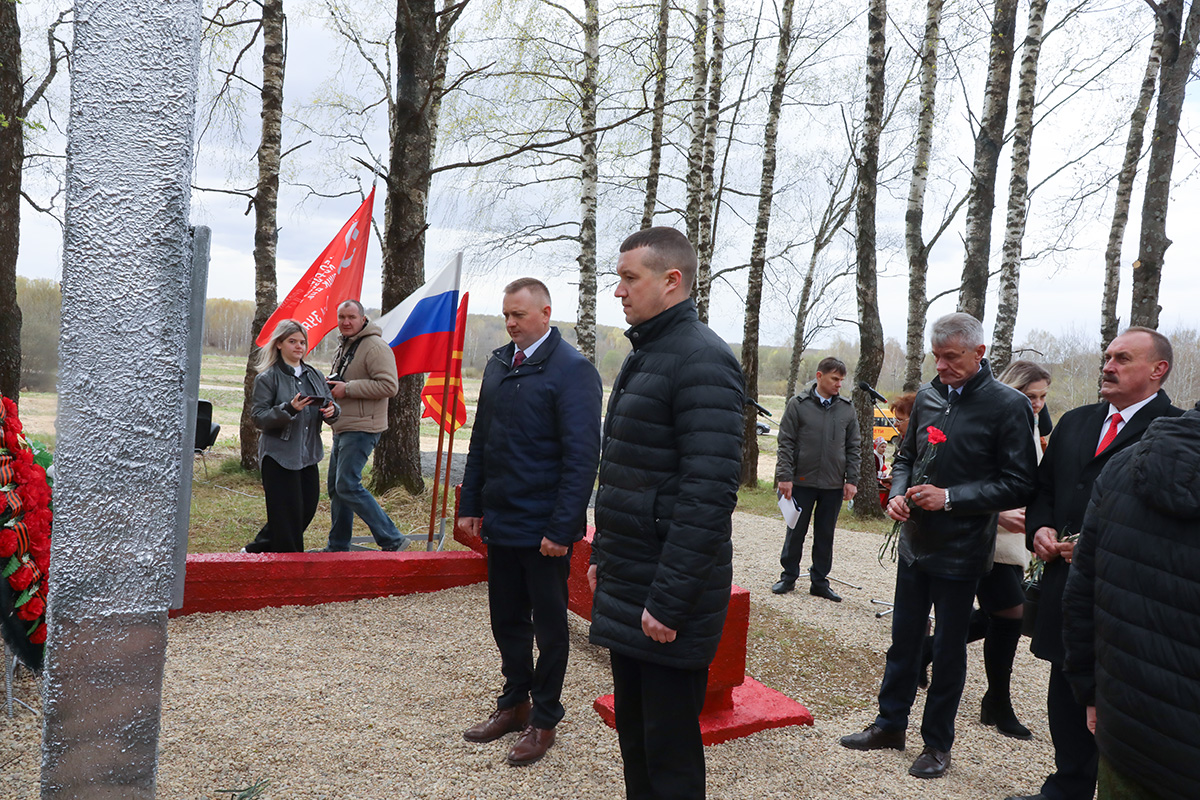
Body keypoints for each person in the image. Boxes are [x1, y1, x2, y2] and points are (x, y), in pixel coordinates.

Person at [840, 312, 1037, 780]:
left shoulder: (1007, 406)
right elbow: (906, 456)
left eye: (952, 357)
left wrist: (951, 499)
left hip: (963, 550)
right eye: (937, 356)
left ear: (979, 353)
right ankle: (890, 724)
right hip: (916, 544)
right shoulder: (928, 396)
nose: (942, 366)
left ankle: (937, 744)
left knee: (947, 650)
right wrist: (899, 496)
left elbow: (1019, 484)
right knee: (903, 641)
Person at [587, 227, 744, 800]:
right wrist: (603, 556)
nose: (619, 291)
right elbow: (626, 474)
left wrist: (670, 600)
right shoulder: (649, 352)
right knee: (636, 736)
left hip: (666, 594)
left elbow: (708, 496)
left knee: (669, 750)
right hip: (632, 578)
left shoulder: (702, 359)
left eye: (630, 278)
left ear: (671, 280)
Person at [1003, 327, 1179, 800]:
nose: (1108, 366)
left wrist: (1102, 545)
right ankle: (1068, 788)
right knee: (1066, 685)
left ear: (1157, 370)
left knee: (1123, 701)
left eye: (1122, 358)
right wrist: (1039, 527)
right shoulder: (1077, 421)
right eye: (1107, 357)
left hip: (1130, 597)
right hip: (1068, 588)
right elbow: (1044, 490)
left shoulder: (1172, 434)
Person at [457, 278, 602, 766]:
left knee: (549, 627)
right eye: (505, 316)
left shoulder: (572, 371)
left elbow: (582, 459)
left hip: (543, 530)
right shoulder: (500, 363)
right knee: (506, 619)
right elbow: (482, 442)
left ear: (545, 312)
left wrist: (562, 530)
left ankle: (544, 718)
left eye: (518, 315)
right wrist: (471, 504)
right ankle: (514, 702)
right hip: (501, 520)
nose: (510, 323)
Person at [1061, 402, 1200, 800]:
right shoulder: (1111, 451)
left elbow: (1081, 594)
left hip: (1127, 732)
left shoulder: (1123, 464)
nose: (1109, 367)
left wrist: (1090, 692)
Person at [966, 359, 1053, 740]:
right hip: (987, 532)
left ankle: (927, 649)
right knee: (1011, 615)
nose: (1036, 403)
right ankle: (997, 701)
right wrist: (996, 513)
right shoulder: (994, 418)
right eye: (1029, 395)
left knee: (1001, 614)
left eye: (1042, 397)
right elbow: (966, 475)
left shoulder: (1032, 424)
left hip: (1013, 537)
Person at [770, 356, 860, 601]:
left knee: (825, 534)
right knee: (795, 531)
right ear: (819, 376)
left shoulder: (846, 408)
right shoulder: (797, 405)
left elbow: (854, 446)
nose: (839, 384)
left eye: (841, 380)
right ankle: (788, 577)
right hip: (800, 481)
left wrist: (852, 479)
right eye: (834, 379)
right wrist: (784, 476)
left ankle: (819, 581)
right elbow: (785, 442)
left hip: (832, 484)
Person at [246, 320, 338, 553]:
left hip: (308, 455)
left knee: (304, 511)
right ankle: (290, 569)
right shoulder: (267, 377)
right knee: (286, 517)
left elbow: (331, 405)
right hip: (279, 456)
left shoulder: (315, 375)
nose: (299, 346)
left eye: (302, 342)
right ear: (278, 344)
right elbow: (258, 417)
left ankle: (257, 549)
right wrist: (289, 409)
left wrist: (332, 411)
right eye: (292, 341)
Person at [322, 299, 406, 552]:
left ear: (363, 319)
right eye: (341, 317)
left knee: (347, 485)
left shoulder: (375, 347)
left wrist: (347, 389)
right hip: (344, 425)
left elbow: (390, 386)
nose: (346, 322)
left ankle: (393, 538)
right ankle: (338, 545)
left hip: (363, 427)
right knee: (337, 489)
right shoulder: (347, 345)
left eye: (351, 317)